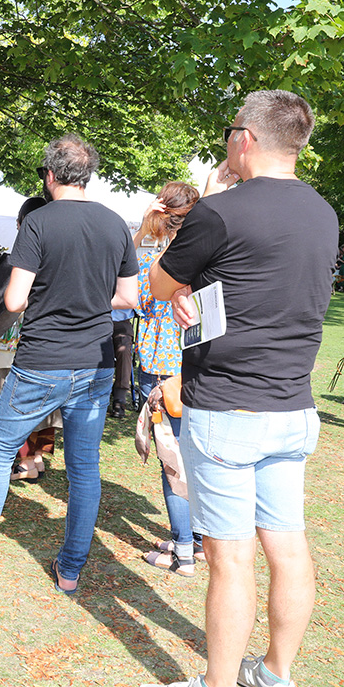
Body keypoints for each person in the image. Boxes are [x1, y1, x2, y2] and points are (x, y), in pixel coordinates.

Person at [136, 90, 338, 687]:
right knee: (288, 546)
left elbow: (157, 283)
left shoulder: (220, 212)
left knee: (230, 556)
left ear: (245, 138)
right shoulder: (323, 212)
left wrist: (210, 199)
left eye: (230, 132)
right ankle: (276, 676)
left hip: (228, 405)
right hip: (292, 406)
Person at [0, 135, 137, 586]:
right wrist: (88, 300)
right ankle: (70, 569)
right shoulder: (115, 223)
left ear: (50, 175)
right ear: (88, 175)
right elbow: (128, 297)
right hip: (96, 361)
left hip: (44, 359)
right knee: (84, 467)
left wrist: (54, 298)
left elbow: (14, 299)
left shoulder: (38, 222)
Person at [131, 182, 201, 577]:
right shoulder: (207, 258)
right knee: (194, 455)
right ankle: (197, 540)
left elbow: (129, 291)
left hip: (161, 367)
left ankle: (184, 550)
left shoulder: (156, 259)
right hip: (198, 365)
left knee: (172, 461)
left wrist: (143, 229)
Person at [0, 196, 58, 482]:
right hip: (49, 341)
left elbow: (11, 301)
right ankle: (37, 458)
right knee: (44, 403)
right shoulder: (56, 252)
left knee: (15, 401)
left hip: (17, 340)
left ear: (22, 223)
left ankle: (26, 461)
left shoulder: (22, 253)